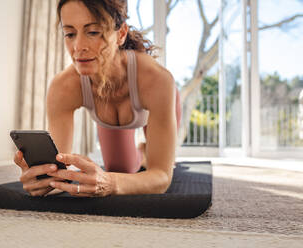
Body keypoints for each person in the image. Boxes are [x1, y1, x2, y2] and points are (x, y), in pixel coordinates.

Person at [14, 0, 181, 197]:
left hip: (157, 102)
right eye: (70, 33)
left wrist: (111, 183)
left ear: (120, 34)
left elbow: (161, 178)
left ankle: (150, 149)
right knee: (122, 169)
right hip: (111, 117)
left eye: (93, 32)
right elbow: (57, 165)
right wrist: (43, 178)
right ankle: (143, 151)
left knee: (158, 165)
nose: (78, 47)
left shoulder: (157, 80)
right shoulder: (64, 86)